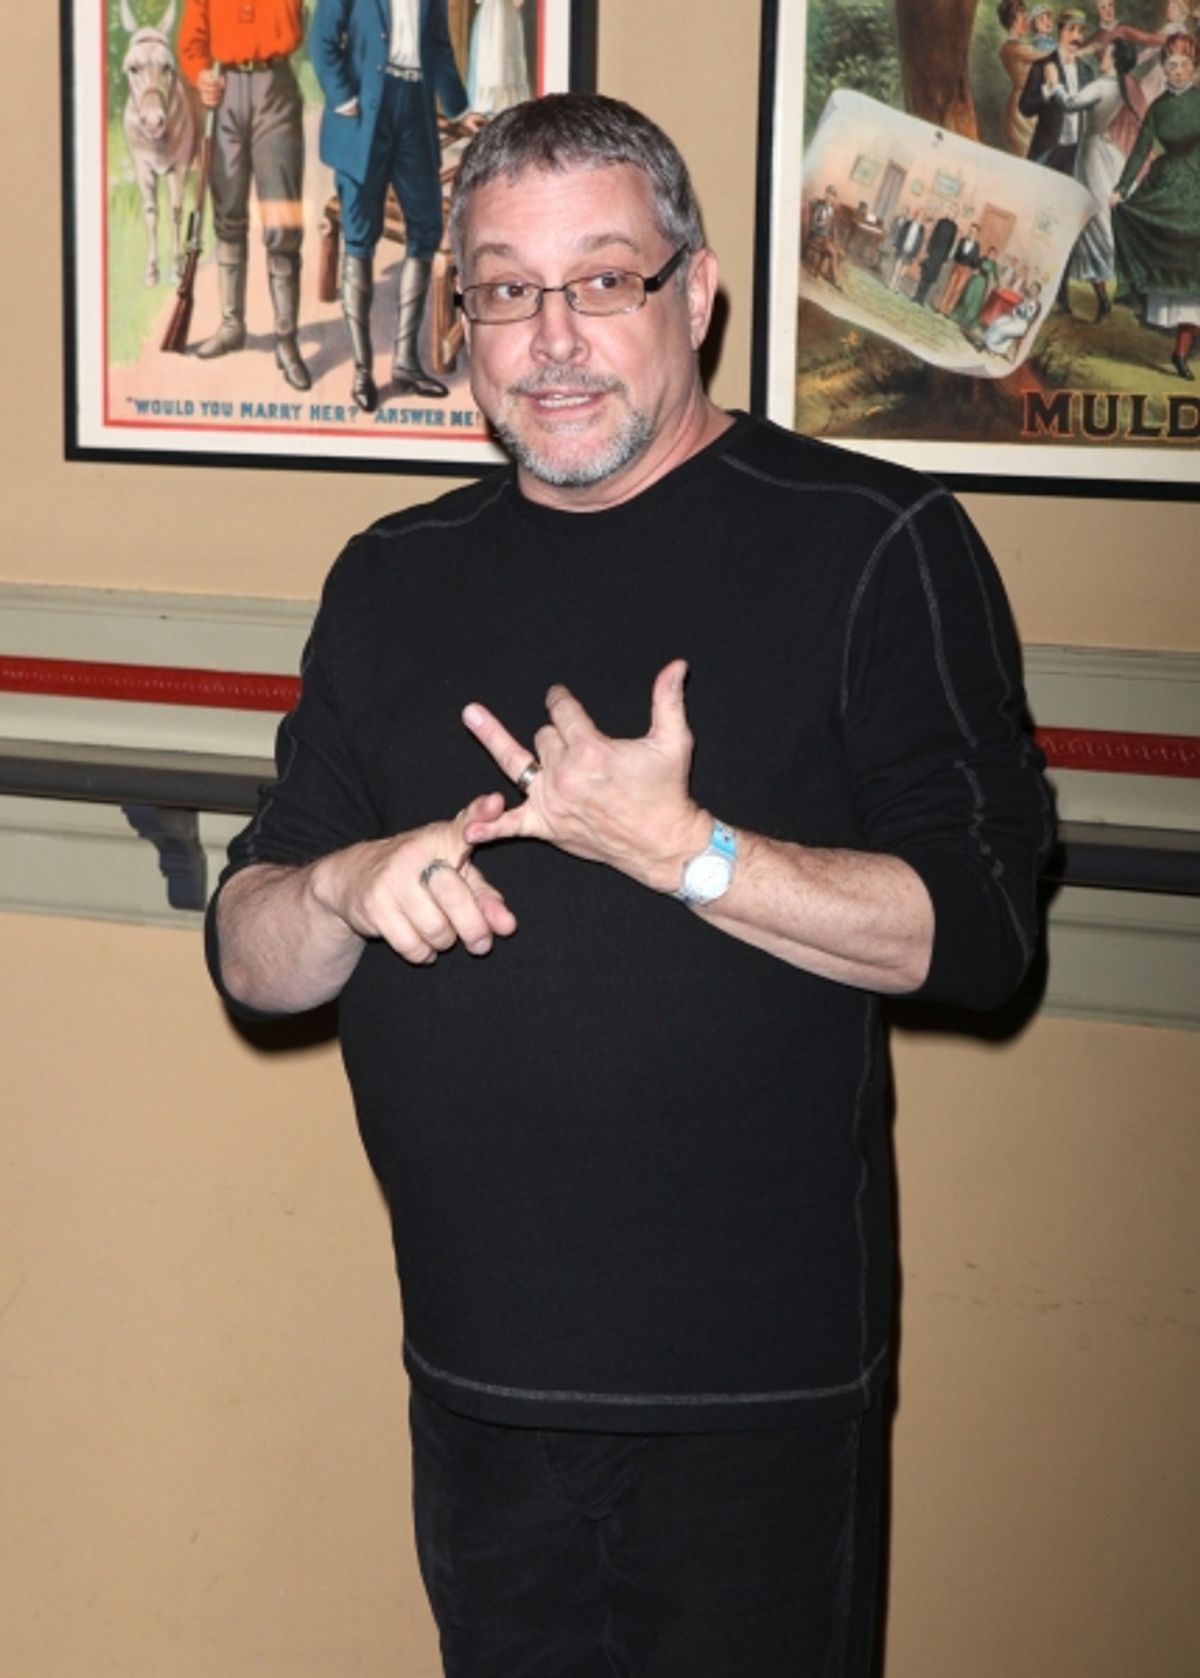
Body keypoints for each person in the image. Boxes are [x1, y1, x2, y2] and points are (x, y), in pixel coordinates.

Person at [206, 93, 1052, 1677]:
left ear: (699, 293)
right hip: (476, 1378)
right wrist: (348, 886)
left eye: (606, 280)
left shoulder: (878, 540)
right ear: (459, 316)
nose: (555, 339)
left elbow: (984, 935)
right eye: (506, 290)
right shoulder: (389, 575)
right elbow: (252, 957)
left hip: (754, 1399)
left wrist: (690, 854)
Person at [310, 0, 480, 412]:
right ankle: (363, 371)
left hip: (414, 113)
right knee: (360, 238)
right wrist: (342, 98)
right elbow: (322, 40)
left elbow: (438, 47)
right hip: (361, 115)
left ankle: (406, 363)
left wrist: (460, 109)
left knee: (424, 230)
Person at [177, 0, 311, 390]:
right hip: (226, 92)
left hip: (276, 91)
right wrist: (201, 75)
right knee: (228, 215)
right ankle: (232, 324)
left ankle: (286, 339)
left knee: (282, 222)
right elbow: (192, 43)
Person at [1111, 32, 1200, 378]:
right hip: (1167, 190)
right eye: (1171, 65)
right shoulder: (1159, 108)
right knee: (1179, 269)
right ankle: (1180, 350)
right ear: (1163, 68)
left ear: (1194, 69)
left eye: (1184, 66)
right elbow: (1140, 149)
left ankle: (1185, 347)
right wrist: (1121, 188)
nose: (1177, 72)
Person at [1046, 37, 1141, 319]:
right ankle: (1105, 296)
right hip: (1105, 149)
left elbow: (1070, 104)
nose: (1101, 54)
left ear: (1113, 59)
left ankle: (1104, 297)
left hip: (1093, 155)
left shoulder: (1101, 86)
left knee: (1092, 221)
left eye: (1106, 53)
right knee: (1097, 221)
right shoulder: (1119, 87)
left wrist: (1054, 83)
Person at [1019, 6, 1096, 172]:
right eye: (1071, 29)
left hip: (1075, 154)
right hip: (1047, 149)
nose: (1076, 36)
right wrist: (1047, 90)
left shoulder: (1087, 72)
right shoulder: (1042, 66)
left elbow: (1091, 111)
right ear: (1060, 32)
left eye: (1080, 31)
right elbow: (1025, 107)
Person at [467, 0, 530, 114]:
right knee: (492, 61)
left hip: (506, 15)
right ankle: (490, 106)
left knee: (505, 64)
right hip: (491, 16)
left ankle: (506, 107)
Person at [997, 0, 1041, 154]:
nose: (1027, 22)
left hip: (1031, 103)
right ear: (1013, 22)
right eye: (1023, 18)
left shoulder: (1018, 47)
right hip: (1022, 110)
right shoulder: (1011, 49)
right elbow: (1045, 56)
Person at [803, 181, 845, 287]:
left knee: (840, 253)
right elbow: (814, 225)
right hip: (817, 236)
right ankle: (835, 281)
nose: (829, 198)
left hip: (825, 238)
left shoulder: (832, 210)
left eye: (832, 196)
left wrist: (835, 239)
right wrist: (821, 224)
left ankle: (829, 274)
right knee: (833, 253)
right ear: (825, 194)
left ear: (834, 198)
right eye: (828, 195)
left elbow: (832, 227)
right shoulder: (819, 207)